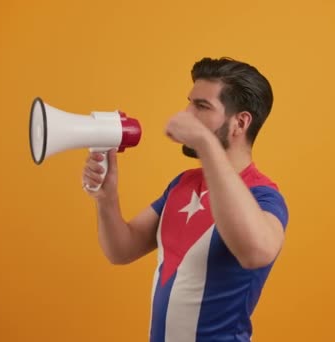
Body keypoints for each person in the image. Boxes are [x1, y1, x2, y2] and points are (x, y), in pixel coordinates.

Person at [82, 57, 289, 342]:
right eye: (189, 103)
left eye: (201, 106)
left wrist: (204, 142)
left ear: (240, 123)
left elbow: (256, 252)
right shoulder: (183, 184)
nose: (186, 114)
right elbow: (121, 250)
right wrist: (106, 198)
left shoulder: (263, 196)